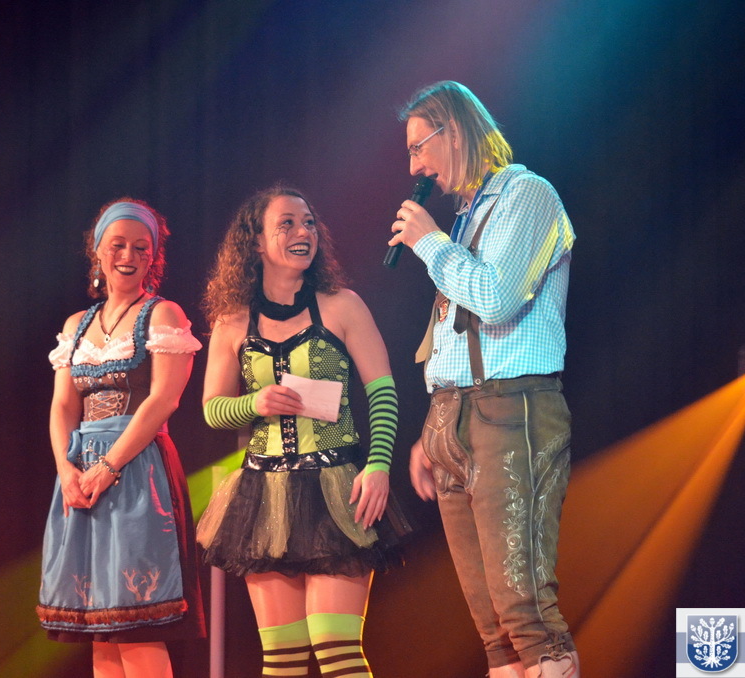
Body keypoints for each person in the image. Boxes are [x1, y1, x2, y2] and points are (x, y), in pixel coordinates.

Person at [388, 81, 580, 678]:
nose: (414, 167)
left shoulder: (527, 194)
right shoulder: (465, 221)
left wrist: (429, 243)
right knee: (493, 632)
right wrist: (433, 431)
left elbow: (496, 300)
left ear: (454, 131)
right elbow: (453, 336)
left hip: (511, 411)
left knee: (526, 614)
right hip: (456, 417)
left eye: (419, 147)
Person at [197, 186, 409, 678]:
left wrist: (378, 465)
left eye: (309, 222)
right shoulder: (232, 323)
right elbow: (211, 410)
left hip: (336, 488)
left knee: (338, 654)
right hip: (263, 495)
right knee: (283, 661)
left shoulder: (342, 306)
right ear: (256, 241)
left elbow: (382, 392)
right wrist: (254, 403)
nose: (303, 232)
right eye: (287, 223)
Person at [37, 198, 205, 678]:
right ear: (98, 251)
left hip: (136, 469)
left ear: (153, 256)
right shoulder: (76, 325)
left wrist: (109, 465)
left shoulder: (162, 314)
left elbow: (163, 400)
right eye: (117, 245)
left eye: (140, 247)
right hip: (80, 473)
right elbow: (63, 406)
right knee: (102, 632)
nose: (128, 255)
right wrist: (66, 469)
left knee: (137, 629)